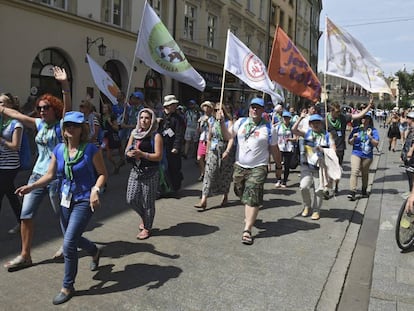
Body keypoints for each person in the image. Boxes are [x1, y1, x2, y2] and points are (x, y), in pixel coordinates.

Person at [15, 111, 107, 305]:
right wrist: (31, 187)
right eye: (67, 126)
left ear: (82, 129)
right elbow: (50, 175)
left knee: (69, 243)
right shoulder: (58, 149)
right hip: (65, 199)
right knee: (71, 238)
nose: (70, 128)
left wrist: (96, 190)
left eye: (74, 125)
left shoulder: (91, 150)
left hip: (84, 200)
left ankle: (67, 286)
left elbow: (102, 174)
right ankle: (94, 251)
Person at [3, 66, 71, 270]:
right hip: (36, 176)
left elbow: (68, 107)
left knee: (62, 215)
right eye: (40, 107)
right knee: (26, 214)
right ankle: (25, 255)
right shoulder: (39, 124)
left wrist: (65, 85)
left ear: (54, 109)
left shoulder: (62, 125)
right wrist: (3, 108)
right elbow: (17, 115)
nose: (42, 110)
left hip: (57, 178)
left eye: (46, 107)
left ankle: (68, 245)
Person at [219, 97, 281, 245]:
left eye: (258, 108)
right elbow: (228, 136)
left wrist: (279, 167)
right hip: (240, 166)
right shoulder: (240, 122)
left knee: (252, 193)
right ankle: (250, 211)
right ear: (249, 109)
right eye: (253, 107)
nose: (255, 110)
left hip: (258, 167)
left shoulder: (268, 128)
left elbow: (275, 149)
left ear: (262, 110)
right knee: (240, 192)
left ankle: (247, 229)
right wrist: (221, 122)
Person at [125, 108, 162, 240]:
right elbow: (127, 149)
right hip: (136, 171)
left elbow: (158, 156)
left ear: (151, 120)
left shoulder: (155, 135)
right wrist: (129, 153)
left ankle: (147, 227)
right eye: (141, 118)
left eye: (147, 118)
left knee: (148, 202)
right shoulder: (134, 133)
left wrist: (142, 154)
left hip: (150, 172)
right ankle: (144, 217)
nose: (144, 120)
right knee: (131, 199)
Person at [292, 113, 335, 220]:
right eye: (313, 123)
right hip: (307, 166)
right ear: (310, 124)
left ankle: (316, 210)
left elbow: (334, 150)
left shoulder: (327, 135)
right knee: (303, 187)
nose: (315, 125)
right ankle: (307, 205)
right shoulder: (307, 133)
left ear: (322, 124)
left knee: (318, 190)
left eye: (318, 123)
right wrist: (301, 118)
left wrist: (324, 150)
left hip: (320, 167)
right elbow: (293, 130)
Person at [195, 103, 235, 209]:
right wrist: (207, 152)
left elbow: (230, 138)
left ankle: (225, 195)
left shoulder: (229, 122)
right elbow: (209, 137)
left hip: (224, 149)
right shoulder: (211, 121)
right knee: (209, 173)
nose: (218, 111)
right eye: (216, 109)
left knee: (224, 174)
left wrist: (227, 151)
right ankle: (204, 199)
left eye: (220, 109)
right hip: (213, 150)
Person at [327, 100, 372, 193]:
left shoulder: (343, 118)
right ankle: (327, 188)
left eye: (339, 111)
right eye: (336, 112)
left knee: (337, 168)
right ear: (331, 111)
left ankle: (336, 186)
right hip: (328, 148)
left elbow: (358, 116)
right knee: (329, 168)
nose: (338, 113)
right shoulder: (326, 120)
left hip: (340, 147)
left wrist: (369, 106)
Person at [0, 93, 23, 234]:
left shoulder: (16, 123)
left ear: (9, 106)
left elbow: (15, 146)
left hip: (10, 165)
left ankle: (23, 222)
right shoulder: (1, 122)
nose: (0, 106)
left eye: (2, 103)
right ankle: (22, 221)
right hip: (0, 163)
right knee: (10, 194)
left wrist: (1, 140)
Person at [347, 112, 379, 201]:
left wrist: (370, 137)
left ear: (369, 120)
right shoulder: (356, 129)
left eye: (366, 118)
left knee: (364, 173)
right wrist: (353, 137)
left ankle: (364, 189)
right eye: (363, 118)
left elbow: (376, 143)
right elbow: (349, 142)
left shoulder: (373, 130)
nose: (364, 120)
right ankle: (352, 191)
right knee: (355, 171)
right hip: (356, 153)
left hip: (367, 155)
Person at [159, 95, 185, 195]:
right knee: (163, 168)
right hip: (161, 146)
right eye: (172, 104)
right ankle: (164, 187)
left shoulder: (178, 118)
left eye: (175, 104)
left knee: (174, 167)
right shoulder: (160, 116)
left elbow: (179, 134)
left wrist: (176, 147)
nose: (175, 106)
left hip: (172, 147)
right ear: (167, 106)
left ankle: (174, 188)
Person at [274, 110, 297, 188]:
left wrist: (289, 139)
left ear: (290, 118)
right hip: (279, 147)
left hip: (288, 148)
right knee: (278, 164)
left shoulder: (292, 127)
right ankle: (278, 180)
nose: (285, 119)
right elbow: (274, 136)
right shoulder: (279, 126)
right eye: (284, 117)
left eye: (287, 118)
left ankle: (284, 181)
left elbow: (295, 138)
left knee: (287, 166)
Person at [100, 103, 124, 174]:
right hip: (105, 137)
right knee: (102, 152)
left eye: (105, 107)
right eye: (103, 107)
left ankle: (121, 161)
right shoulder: (102, 116)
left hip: (112, 136)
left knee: (117, 150)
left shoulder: (112, 116)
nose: (103, 109)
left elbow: (116, 128)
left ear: (108, 109)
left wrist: (110, 122)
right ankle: (115, 164)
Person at [196, 101, 214, 182]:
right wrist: (199, 124)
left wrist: (208, 122)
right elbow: (199, 130)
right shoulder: (201, 118)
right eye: (205, 106)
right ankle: (203, 172)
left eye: (208, 106)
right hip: (202, 139)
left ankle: (208, 174)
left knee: (208, 159)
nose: (206, 108)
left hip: (210, 140)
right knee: (199, 158)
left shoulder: (213, 118)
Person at [400, 111, 414, 191]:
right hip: (408, 156)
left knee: (411, 177)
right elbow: (406, 142)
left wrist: (410, 151)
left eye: (408, 118)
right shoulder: (410, 128)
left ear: (411, 119)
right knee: (409, 176)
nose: (406, 119)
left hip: (411, 157)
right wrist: (402, 154)